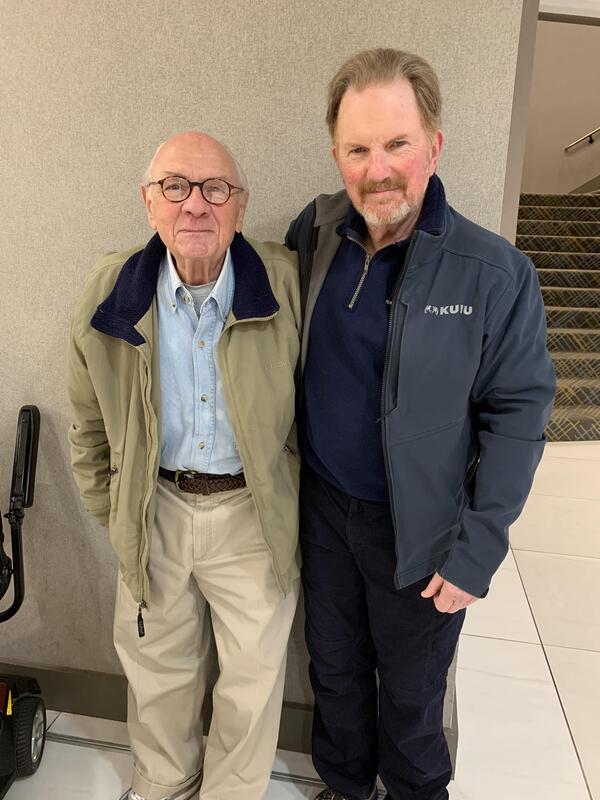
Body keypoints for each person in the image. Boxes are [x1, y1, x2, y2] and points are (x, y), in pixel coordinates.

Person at [285, 48, 555, 800]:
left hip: (423, 532)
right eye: (359, 149)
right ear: (337, 154)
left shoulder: (494, 273)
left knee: (411, 692)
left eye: (398, 144)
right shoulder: (316, 234)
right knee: (333, 669)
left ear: (434, 145)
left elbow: (519, 416)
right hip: (324, 510)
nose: (379, 170)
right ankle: (344, 785)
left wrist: (478, 549)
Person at [68, 131, 301, 800]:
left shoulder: (281, 282)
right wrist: (114, 512)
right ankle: (162, 784)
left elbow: (316, 407)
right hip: (154, 506)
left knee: (252, 682)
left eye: (215, 189)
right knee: (157, 671)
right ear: (149, 203)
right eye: (176, 186)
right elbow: (86, 419)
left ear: (239, 205)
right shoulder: (108, 288)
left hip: (252, 515)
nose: (195, 205)